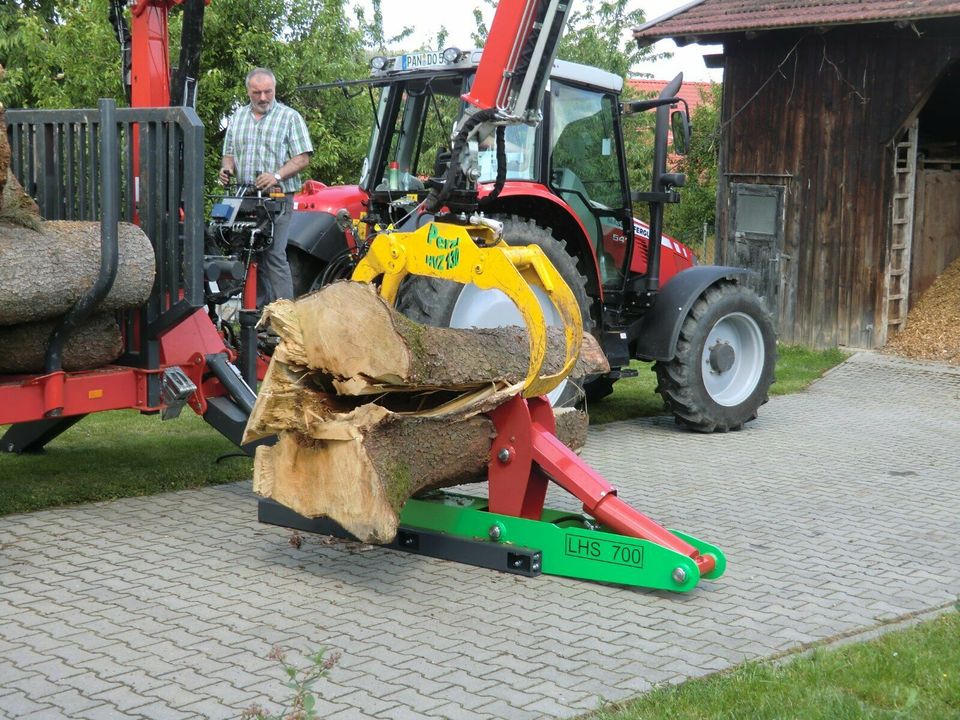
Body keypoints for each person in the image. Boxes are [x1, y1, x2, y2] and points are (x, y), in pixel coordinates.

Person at [219, 67, 313, 305]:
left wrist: (277, 176)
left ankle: (285, 318)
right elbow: (229, 154)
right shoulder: (238, 117)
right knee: (248, 254)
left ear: (275, 90)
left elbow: (303, 157)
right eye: (256, 92)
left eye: (267, 92)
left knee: (274, 255)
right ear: (248, 92)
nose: (262, 98)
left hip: (277, 198)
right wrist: (226, 169)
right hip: (245, 196)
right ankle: (257, 317)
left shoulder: (290, 117)